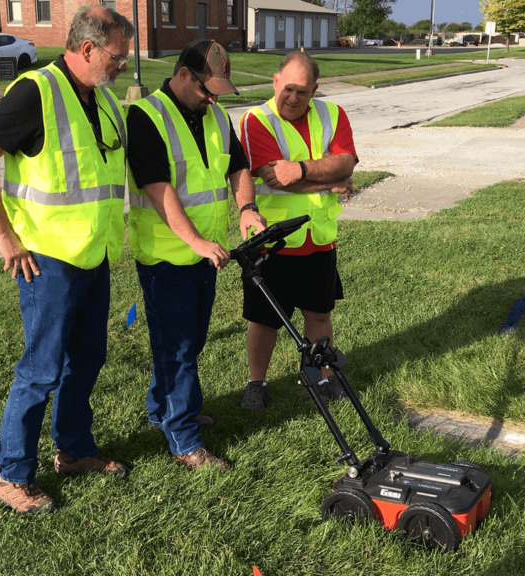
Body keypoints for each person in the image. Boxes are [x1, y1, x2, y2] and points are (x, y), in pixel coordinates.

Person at [0, 4, 135, 515]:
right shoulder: (36, 91)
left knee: (88, 358)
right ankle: (12, 475)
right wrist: (4, 236)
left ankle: (74, 449)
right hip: (47, 260)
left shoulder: (100, 100)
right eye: (118, 56)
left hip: (94, 254)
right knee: (41, 369)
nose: (122, 64)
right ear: (87, 49)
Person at [125, 39, 266, 470]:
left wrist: (247, 209)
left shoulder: (218, 115)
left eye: (219, 92)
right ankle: (185, 438)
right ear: (183, 74)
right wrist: (194, 242)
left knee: (187, 342)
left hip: (206, 254)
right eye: (207, 89)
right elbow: (157, 187)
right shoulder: (145, 116)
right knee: (180, 349)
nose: (212, 99)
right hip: (167, 255)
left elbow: (237, 167)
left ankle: (160, 409)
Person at [236, 52, 358, 411]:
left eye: (302, 92)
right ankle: (256, 383)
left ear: (314, 90)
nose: (293, 98)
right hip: (272, 241)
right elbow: (275, 177)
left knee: (319, 314)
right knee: (265, 320)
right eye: (287, 88)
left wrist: (302, 168)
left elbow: (347, 162)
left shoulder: (332, 114)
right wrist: (330, 181)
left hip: (319, 237)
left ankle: (321, 376)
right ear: (275, 81)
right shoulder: (256, 120)